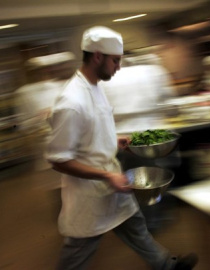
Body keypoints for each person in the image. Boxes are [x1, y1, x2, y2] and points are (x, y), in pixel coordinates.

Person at [45, 26, 198, 270]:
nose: (119, 67)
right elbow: (58, 159)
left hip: (110, 181)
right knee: (78, 252)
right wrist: (105, 175)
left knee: (135, 226)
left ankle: (166, 265)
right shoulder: (72, 102)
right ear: (97, 56)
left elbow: (90, 133)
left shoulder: (95, 87)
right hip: (89, 193)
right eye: (115, 61)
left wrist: (113, 140)